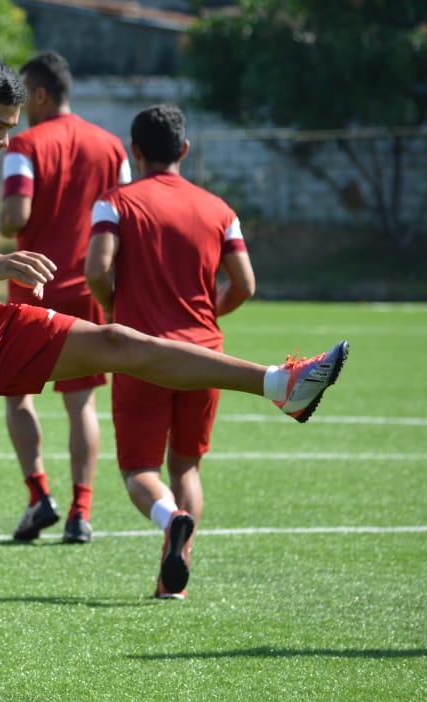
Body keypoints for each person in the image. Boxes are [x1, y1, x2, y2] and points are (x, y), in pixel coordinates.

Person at [0, 51, 347, 702]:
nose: (6, 141)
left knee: (118, 341)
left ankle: (278, 382)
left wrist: (0, 276)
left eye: (11, 127)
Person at [85, 103, 257, 598]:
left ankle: (170, 517)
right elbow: (245, 283)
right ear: (184, 150)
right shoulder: (220, 209)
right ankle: (171, 582)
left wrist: (117, 308)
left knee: (140, 470)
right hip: (204, 355)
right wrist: (206, 318)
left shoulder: (115, 203)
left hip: (142, 355)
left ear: (135, 151)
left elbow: (96, 269)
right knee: (186, 466)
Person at [0, 51, 131, 544]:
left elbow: (16, 215)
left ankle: (39, 497)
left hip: (33, 285)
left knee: (17, 396)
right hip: (88, 287)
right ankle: (81, 510)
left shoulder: (25, 144)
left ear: (39, 94)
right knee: (82, 405)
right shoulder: (112, 146)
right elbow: (126, 217)